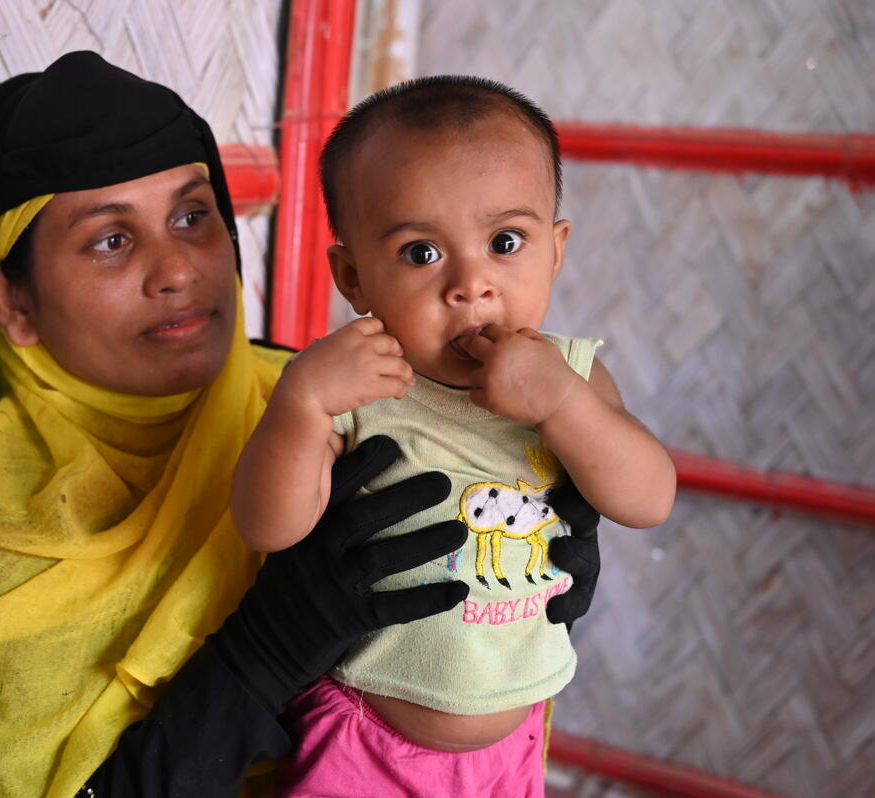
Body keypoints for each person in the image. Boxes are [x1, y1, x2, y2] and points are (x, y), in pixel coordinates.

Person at [0, 53, 602, 798]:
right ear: (11, 298)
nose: (178, 270)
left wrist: (550, 551)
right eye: (111, 239)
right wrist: (265, 652)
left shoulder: (325, 399)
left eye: (192, 217)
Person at [231, 76, 676, 796]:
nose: (471, 284)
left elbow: (649, 498)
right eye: (421, 254)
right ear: (353, 277)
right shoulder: (358, 384)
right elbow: (268, 526)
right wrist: (300, 405)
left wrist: (563, 403)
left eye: (506, 242)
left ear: (555, 250)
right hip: (366, 735)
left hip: (516, 738)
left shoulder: (573, 374)